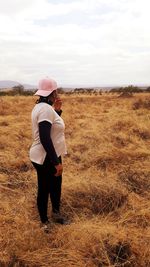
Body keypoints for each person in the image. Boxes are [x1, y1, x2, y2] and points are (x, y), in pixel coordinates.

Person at [29, 78, 67, 231]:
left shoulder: (42, 107)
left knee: (55, 185)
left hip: (50, 154)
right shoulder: (44, 109)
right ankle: (45, 223)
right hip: (46, 156)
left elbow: (51, 129)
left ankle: (56, 215)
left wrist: (57, 111)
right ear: (53, 92)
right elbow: (45, 137)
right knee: (45, 188)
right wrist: (55, 162)